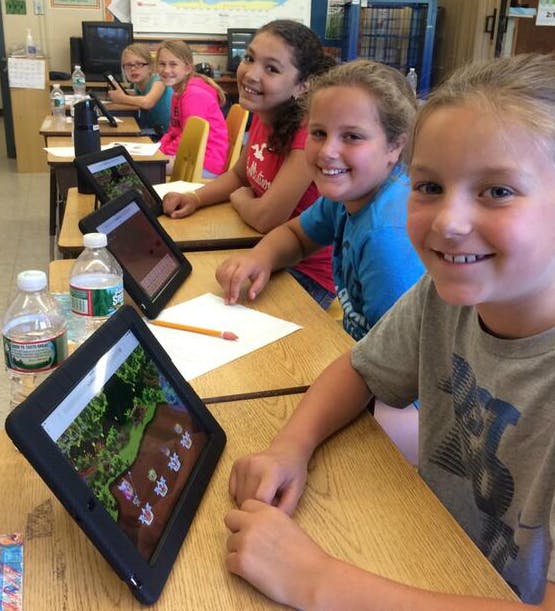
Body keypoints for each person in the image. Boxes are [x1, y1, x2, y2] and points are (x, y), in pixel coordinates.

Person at [223, 52, 555, 608]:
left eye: (497, 191)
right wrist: (290, 448)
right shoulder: (446, 295)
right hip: (435, 555)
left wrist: (317, 581)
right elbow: (361, 369)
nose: (449, 223)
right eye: (428, 186)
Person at [215, 59, 425, 340]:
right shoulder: (348, 194)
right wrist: (260, 258)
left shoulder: (386, 239)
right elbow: (297, 235)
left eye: (351, 136)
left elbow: (398, 363)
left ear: (395, 146)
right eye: (318, 133)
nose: (327, 151)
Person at [163, 20, 336, 307]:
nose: (251, 74)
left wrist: (241, 199)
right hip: (259, 248)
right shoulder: (265, 113)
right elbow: (239, 175)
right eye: (249, 58)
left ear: (302, 85)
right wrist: (195, 197)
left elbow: (268, 217)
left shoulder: (308, 133)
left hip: (305, 274)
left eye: (272, 68)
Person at [157, 39, 229, 178]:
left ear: (188, 68)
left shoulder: (193, 95)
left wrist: (162, 154)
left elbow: (189, 139)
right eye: (162, 64)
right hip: (190, 155)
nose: (166, 70)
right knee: (148, 164)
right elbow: (174, 131)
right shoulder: (178, 92)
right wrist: (159, 148)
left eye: (173, 64)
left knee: (146, 170)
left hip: (204, 162)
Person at [107, 43, 172, 138]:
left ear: (150, 67)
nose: (133, 69)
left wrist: (121, 97)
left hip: (167, 138)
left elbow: (148, 102)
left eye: (139, 64)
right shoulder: (137, 85)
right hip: (153, 132)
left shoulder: (159, 80)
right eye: (129, 65)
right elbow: (139, 98)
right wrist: (122, 93)